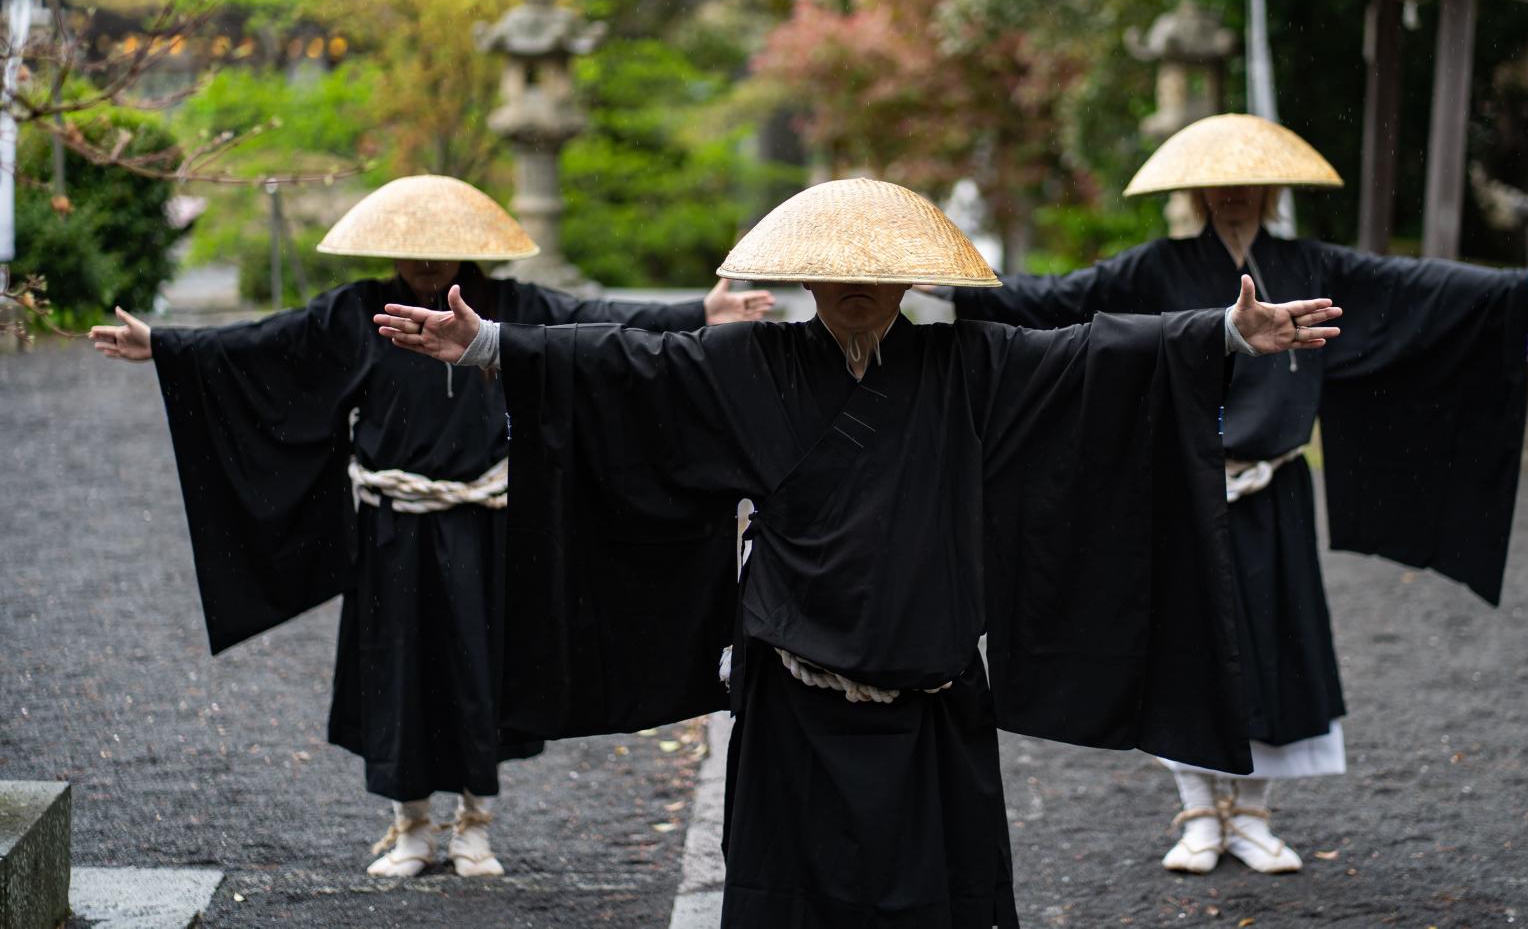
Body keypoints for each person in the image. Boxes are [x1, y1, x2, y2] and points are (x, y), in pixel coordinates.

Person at [373, 176, 1346, 927]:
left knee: (939, 889)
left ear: (910, 282)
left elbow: (1093, 352)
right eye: (836, 276)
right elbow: (624, 364)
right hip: (794, 682)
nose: (855, 292)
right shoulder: (746, 363)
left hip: (930, 689)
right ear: (803, 279)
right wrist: (491, 345)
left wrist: (1223, 330)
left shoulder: (968, 362)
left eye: (877, 277)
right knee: (791, 888)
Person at [942, 113, 1528, 875]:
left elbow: (1410, 286)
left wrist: (1518, 287)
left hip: (1272, 487)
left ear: (1269, 191)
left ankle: (1254, 814)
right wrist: (959, 288)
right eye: (1218, 187)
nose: (1233, 198)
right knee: (1179, 644)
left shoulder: (1307, 263)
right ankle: (1196, 809)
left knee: (1268, 647)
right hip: (1183, 487)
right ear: (1196, 194)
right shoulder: (1157, 266)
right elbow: (1061, 301)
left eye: (1247, 186)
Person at [87, 175, 773, 879]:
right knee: (398, 671)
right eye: (409, 251)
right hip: (394, 531)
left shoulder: (510, 306)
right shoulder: (360, 312)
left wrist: (700, 309)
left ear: (468, 248)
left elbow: (595, 325)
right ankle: (410, 823)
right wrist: (167, 345)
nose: (423, 263)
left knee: (483, 669)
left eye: (437, 250)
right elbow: (266, 343)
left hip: (486, 526)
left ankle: (474, 824)